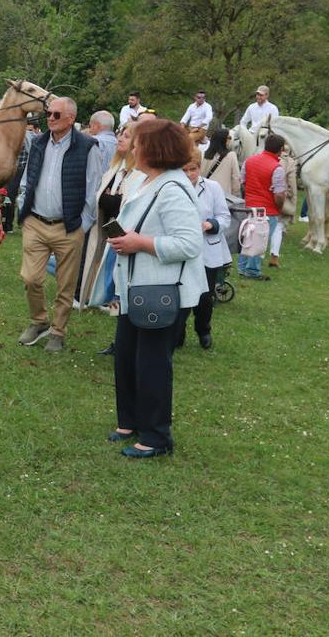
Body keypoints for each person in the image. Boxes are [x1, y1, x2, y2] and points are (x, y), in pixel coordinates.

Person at [106, 118, 206, 458]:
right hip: (137, 287)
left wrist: (140, 243)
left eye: (138, 143)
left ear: (155, 150)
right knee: (127, 357)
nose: (132, 147)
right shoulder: (147, 181)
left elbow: (190, 244)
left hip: (161, 292)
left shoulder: (174, 188)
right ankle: (130, 421)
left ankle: (156, 437)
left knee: (151, 364)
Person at [16, 96, 103, 353]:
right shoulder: (39, 143)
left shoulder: (88, 147)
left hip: (69, 227)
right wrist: (24, 207)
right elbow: (27, 178)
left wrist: (83, 225)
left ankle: (58, 331)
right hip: (35, 222)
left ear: (71, 118)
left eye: (56, 114)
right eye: (48, 114)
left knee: (65, 285)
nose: (50, 118)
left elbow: (93, 189)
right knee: (31, 278)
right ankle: (39, 321)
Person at [80, 122, 136, 328]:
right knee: (106, 271)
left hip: (126, 236)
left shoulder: (138, 174)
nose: (120, 138)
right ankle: (100, 301)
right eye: (120, 134)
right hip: (108, 230)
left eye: (127, 136)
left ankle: (118, 315)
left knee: (120, 278)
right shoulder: (115, 168)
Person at [179, 153, 231, 350]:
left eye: (193, 169)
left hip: (207, 252)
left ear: (199, 168)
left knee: (204, 296)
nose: (189, 174)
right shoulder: (174, 188)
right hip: (182, 249)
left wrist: (210, 224)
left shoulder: (212, 188)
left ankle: (203, 330)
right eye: (184, 170)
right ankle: (178, 331)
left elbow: (224, 216)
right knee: (181, 292)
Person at [238, 133, 288, 280]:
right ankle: (252, 271)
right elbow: (279, 194)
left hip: (249, 206)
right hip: (267, 209)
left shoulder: (249, 161)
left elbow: (243, 181)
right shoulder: (277, 168)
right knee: (260, 241)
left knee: (248, 238)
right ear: (280, 150)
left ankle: (242, 267)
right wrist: (279, 207)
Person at [201, 129, 241, 198]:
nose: (230, 140)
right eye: (229, 137)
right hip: (224, 196)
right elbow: (236, 178)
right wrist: (235, 196)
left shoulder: (204, 155)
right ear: (223, 140)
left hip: (206, 194)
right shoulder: (231, 155)